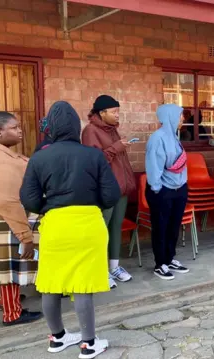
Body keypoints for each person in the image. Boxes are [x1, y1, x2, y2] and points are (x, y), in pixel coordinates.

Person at [20, 101, 121, 357]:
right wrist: (88, 203)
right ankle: (88, 343)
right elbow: (111, 195)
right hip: (88, 224)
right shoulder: (93, 155)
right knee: (82, 284)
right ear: (76, 127)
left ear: (51, 128)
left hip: (56, 225)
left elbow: (29, 199)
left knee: (51, 283)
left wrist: (52, 205)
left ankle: (57, 338)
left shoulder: (39, 157)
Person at [0, 111, 42, 327]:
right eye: (14, 128)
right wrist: (25, 235)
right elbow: (8, 201)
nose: (20, 131)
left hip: (0, 215)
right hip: (5, 217)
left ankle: (7, 301)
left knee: (6, 262)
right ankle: (12, 314)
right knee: (8, 265)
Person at [82, 95, 136, 288]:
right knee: (101, 230)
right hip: (105, 191)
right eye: (114, 112)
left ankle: (114, 267)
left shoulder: (113, 130)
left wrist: (118, 146)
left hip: (121, 188)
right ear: (101, 113)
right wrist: (116, 147)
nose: (117, 115)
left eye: (118, 112)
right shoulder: (90, 131)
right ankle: (99, 269)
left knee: (116, 227)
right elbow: (93, 162)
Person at [145, 104, 190, 279]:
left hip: (179, 189)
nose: (182, 119)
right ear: (170, 116)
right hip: (162, 190)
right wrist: (157, 190)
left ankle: (170, 258)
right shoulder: (158, 138)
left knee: (173, 226)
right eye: (180, 115)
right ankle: (160, 263)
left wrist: (182, 184)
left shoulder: (174, 136)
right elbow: (154, 166)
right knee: (161, 227)